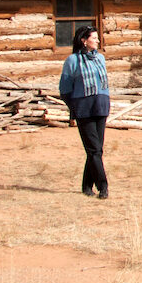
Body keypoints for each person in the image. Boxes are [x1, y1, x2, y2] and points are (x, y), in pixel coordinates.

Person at [60, 25, 111, 199]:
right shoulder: (72, 61)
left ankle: (86, 186)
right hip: (84, 110)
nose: (97, 40)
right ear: (84, 40)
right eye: (94, 37)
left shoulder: (101, 59)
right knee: (94, 150)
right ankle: (103, 185)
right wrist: (75, 107)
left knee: (96, 150)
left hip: (101, 107)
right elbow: (65, 89)